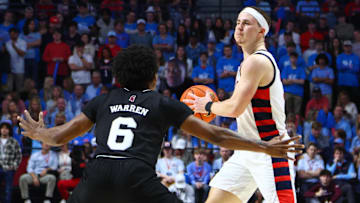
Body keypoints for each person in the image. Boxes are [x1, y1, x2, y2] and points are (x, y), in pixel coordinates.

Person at [18, 45, 303, 203]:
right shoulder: (161, 103)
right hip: (135, 174)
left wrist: (37, 131)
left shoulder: (103, 100)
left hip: (98, 173)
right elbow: (217, 135)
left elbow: (57, 138)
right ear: (153, 77)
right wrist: (263, 147)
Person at [185, 7, 298, 202]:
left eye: (246, 23)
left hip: (270, 149)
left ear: (261, 31)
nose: (239, 27)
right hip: (247, 148)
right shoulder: (246, 64)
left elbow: (234, 107)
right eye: (238, 22)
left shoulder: (257, 62)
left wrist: (209, 106)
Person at [0, 120, 22, 203]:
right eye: (2, 128)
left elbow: (19, 156)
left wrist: (14, 166)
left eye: (6, 128)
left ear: (9, 130)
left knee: (8, 189)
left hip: (9, 168)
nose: (4, 130)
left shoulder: (14, 142)